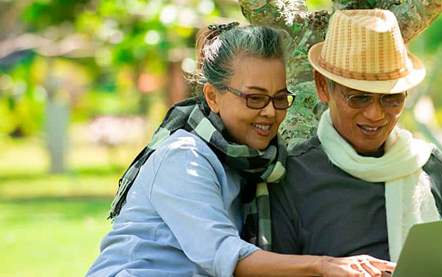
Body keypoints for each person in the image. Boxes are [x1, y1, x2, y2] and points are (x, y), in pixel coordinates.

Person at [87, 23, 393, 277]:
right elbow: (222, 253)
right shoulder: (184, 157)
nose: (271, 113)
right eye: (255, 99)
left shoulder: (256, 163)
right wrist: (323, 265)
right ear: (213, 97)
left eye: (279, 98)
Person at [266, 9, 442, 277]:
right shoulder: (292, 178)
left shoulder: (436, 170)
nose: (375, 114)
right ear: (322, 87)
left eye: (391, 99)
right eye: (359, 98)